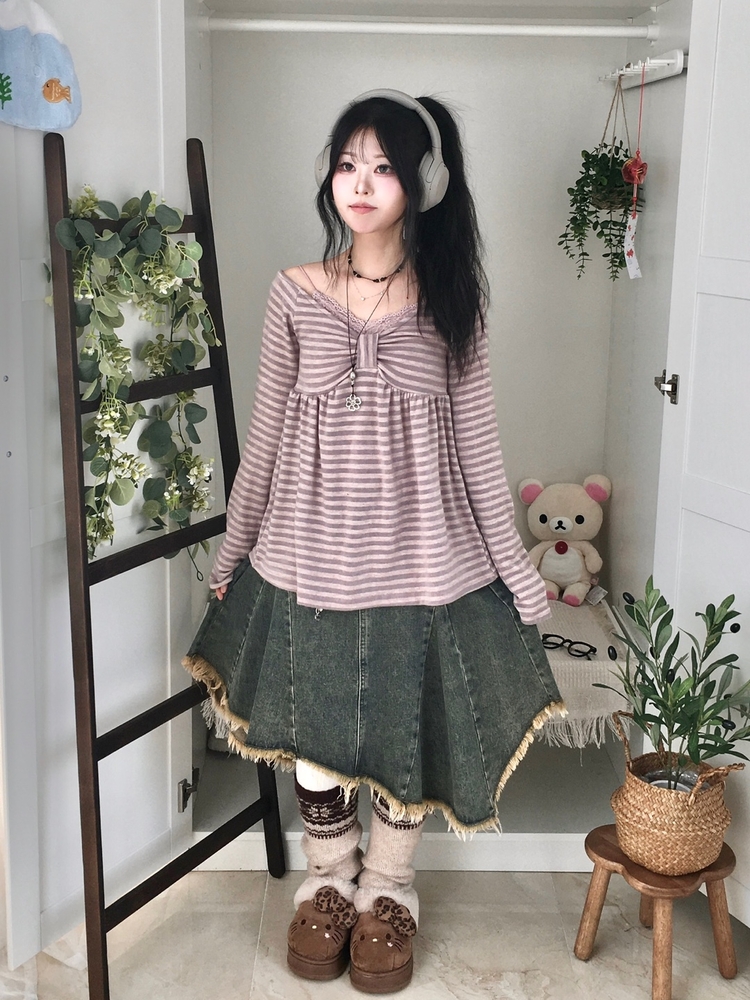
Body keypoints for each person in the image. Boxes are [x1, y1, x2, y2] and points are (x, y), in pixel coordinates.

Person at [183, 89, 564, 994]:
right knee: (316, 730)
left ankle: (390, 890)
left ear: (422, 184)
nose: (360, 183)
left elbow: (478, 450)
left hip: (423, 564)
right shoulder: (294, 292)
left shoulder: (454, 301)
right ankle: (329, 879)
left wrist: (518, 573)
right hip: (307, 558)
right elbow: (265, 439)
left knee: (401, 733)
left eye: (384, 167)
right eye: (348, 164)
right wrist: (233, 551)